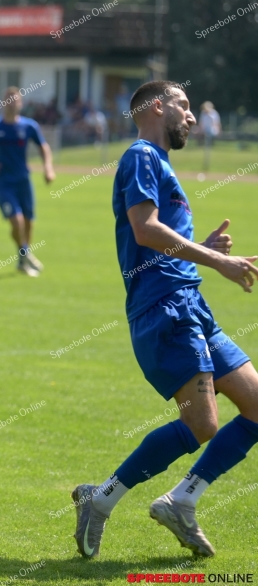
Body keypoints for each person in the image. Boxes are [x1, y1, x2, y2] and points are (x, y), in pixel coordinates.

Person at [73, 81, 258, 558]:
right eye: (184, 105)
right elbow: (145, 229)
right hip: (165, 309)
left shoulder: (160, 161)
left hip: (190, 303)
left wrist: (204, 252)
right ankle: (101, 498)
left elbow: (164, 242)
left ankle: (182, 499)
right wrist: (217, 263)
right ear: (157, 107)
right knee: (202, 425)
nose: (192, 117)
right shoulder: (141, 156)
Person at [0, 87, 55, 277]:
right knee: (17, 221)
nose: (12, 103)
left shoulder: (29, 126)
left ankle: (23, 258)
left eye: (16, 100)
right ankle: (25, 253)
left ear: (21, 104)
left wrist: (48, 168)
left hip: (23, 181)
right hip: (3, 182)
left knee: (29, 222)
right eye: (8, 99)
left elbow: (43, 147)